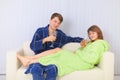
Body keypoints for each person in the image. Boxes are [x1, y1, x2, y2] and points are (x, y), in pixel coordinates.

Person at [17, 25, 110, 80]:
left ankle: (30, 60)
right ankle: (30, 59)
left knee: (57, 52)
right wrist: (82, 47)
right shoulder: (91, 43)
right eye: (90, 33)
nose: (91, 35)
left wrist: (79, 53)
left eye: (93, 33)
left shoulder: (100, 44)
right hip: (78, 58)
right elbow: (81, 52)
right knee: (57, 52)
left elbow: (92, 59)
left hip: (82, 63)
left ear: (98, 33)